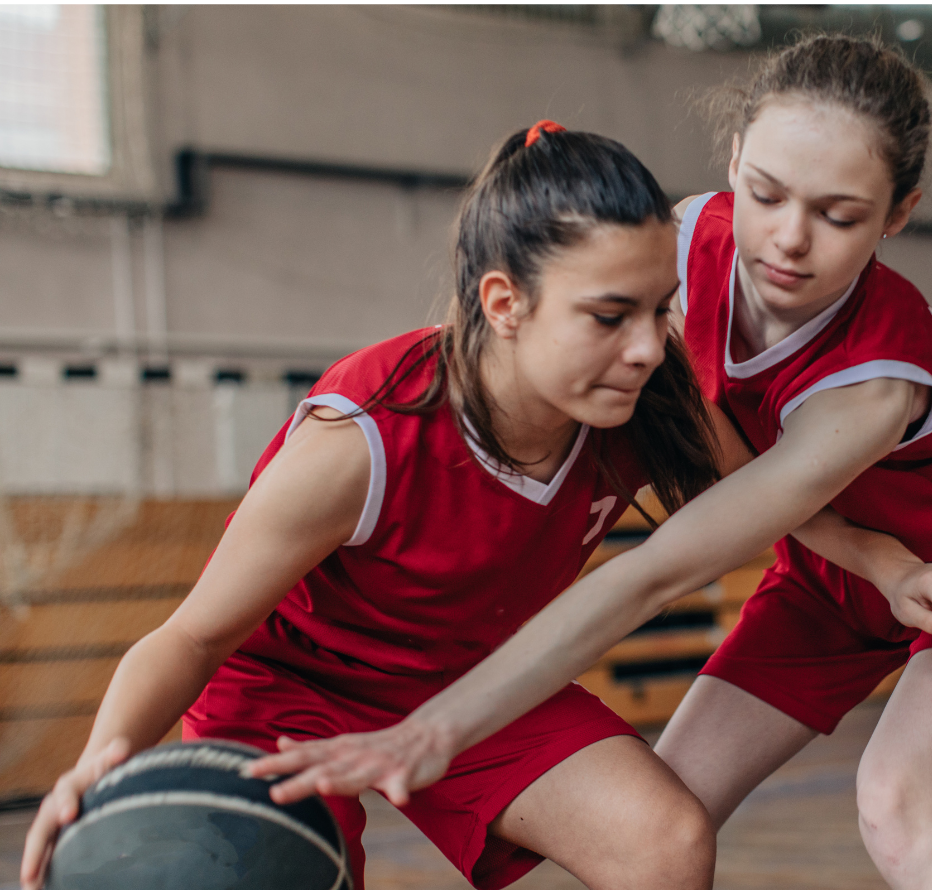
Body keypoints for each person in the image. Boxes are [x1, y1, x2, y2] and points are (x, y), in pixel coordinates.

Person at [249, 36, 932, 890]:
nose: (789, 240)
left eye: (838, 216)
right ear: (732, 165)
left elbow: (650, 575)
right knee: (661, 826)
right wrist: (875, 560)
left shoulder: (872, 387)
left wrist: (435, 729)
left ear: (896, 214)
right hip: (834, 570)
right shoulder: (682, 247)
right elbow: (719, 446)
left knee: (900, 804)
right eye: (764, 193)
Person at [28, 124, 771, 890]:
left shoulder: (641, 398)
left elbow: (785, 494)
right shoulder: (360, 441)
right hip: (288, 682)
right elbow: (190, 636)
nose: (649, 345)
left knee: (665, 842)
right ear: (505, 302)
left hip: (470, 674)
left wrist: (882, 567)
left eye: (660, 309)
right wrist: (96, 768)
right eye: (611, 316)